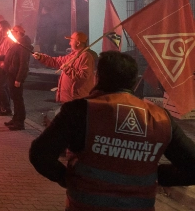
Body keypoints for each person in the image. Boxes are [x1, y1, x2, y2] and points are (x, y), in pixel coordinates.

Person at [30, 51, 195, 210]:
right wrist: (154, 175)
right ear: (132, 81)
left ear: (97, 77)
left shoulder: (80, 110)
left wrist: (66, 178)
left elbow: (40, 153)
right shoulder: (160, 117)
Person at [33, 31, 97, 103]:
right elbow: (56, 61)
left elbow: (83, 76)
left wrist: (67, 69)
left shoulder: (86, 56)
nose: (69, 43)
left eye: (71, 41)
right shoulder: (73, 55)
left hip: (77, 99)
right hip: (68, 98)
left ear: (78, 43)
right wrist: (41, 57)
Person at [0, 25, 32, 130]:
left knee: (18, 99)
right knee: (14, 98)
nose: (12, 32)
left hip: (16, 76)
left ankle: (19, 122)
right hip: (11, 74)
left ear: (18, 32)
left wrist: (18, 79)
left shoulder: (23, 45)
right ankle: (15, 119)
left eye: (14, 31)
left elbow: (23, 64)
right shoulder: (17, 43)